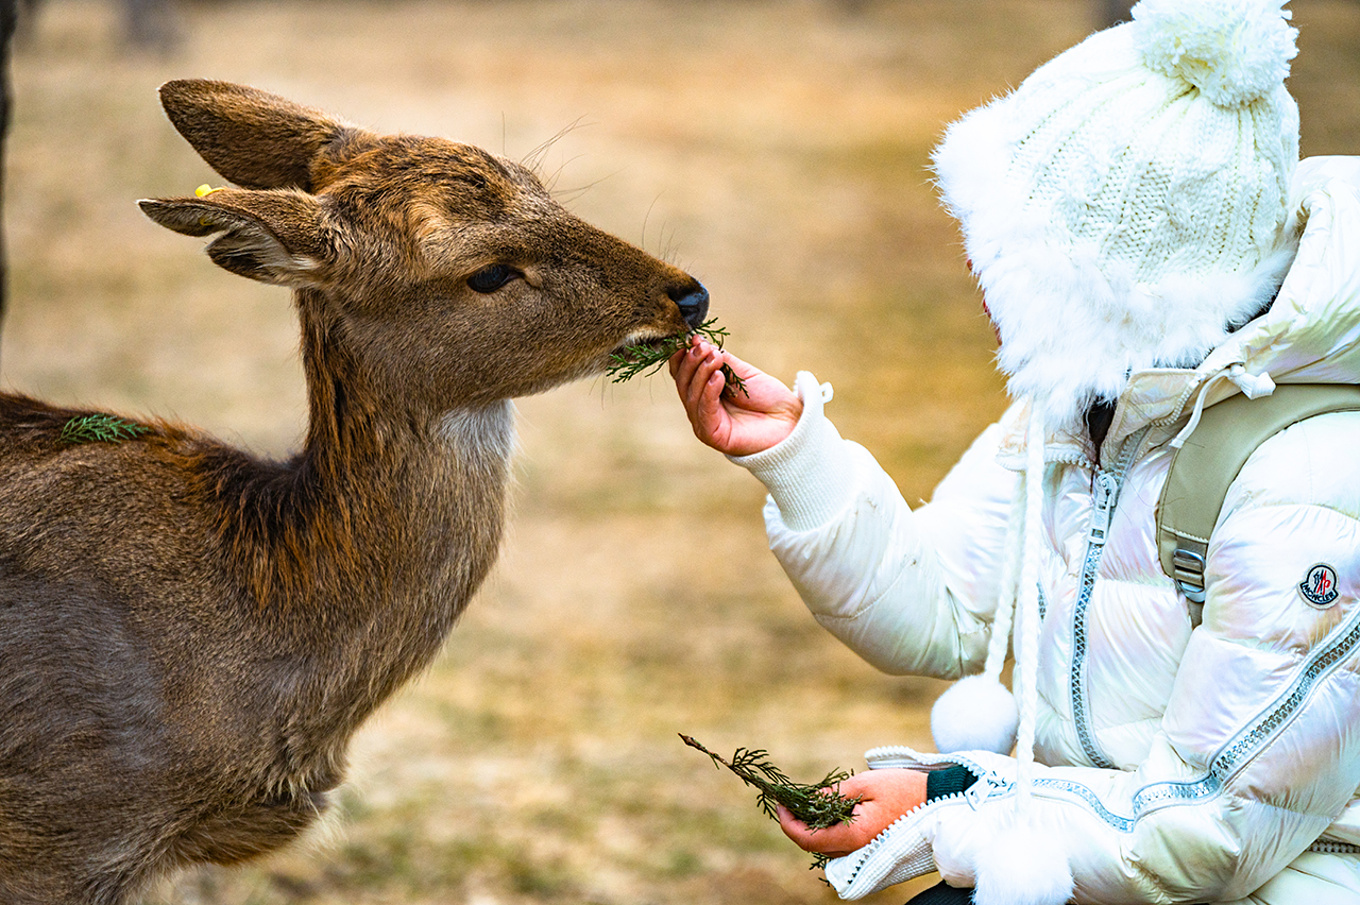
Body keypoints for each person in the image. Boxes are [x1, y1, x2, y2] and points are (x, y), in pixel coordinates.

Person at [670, 1, 1360, 903]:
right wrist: (796, 456)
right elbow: (944, 605)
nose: (972, 272)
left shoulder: (1307, 483)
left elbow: (1212, 828)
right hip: (1091, 852)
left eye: (1009, 256)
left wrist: (948, 804)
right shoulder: (1087, 402)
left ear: (1112, 290)